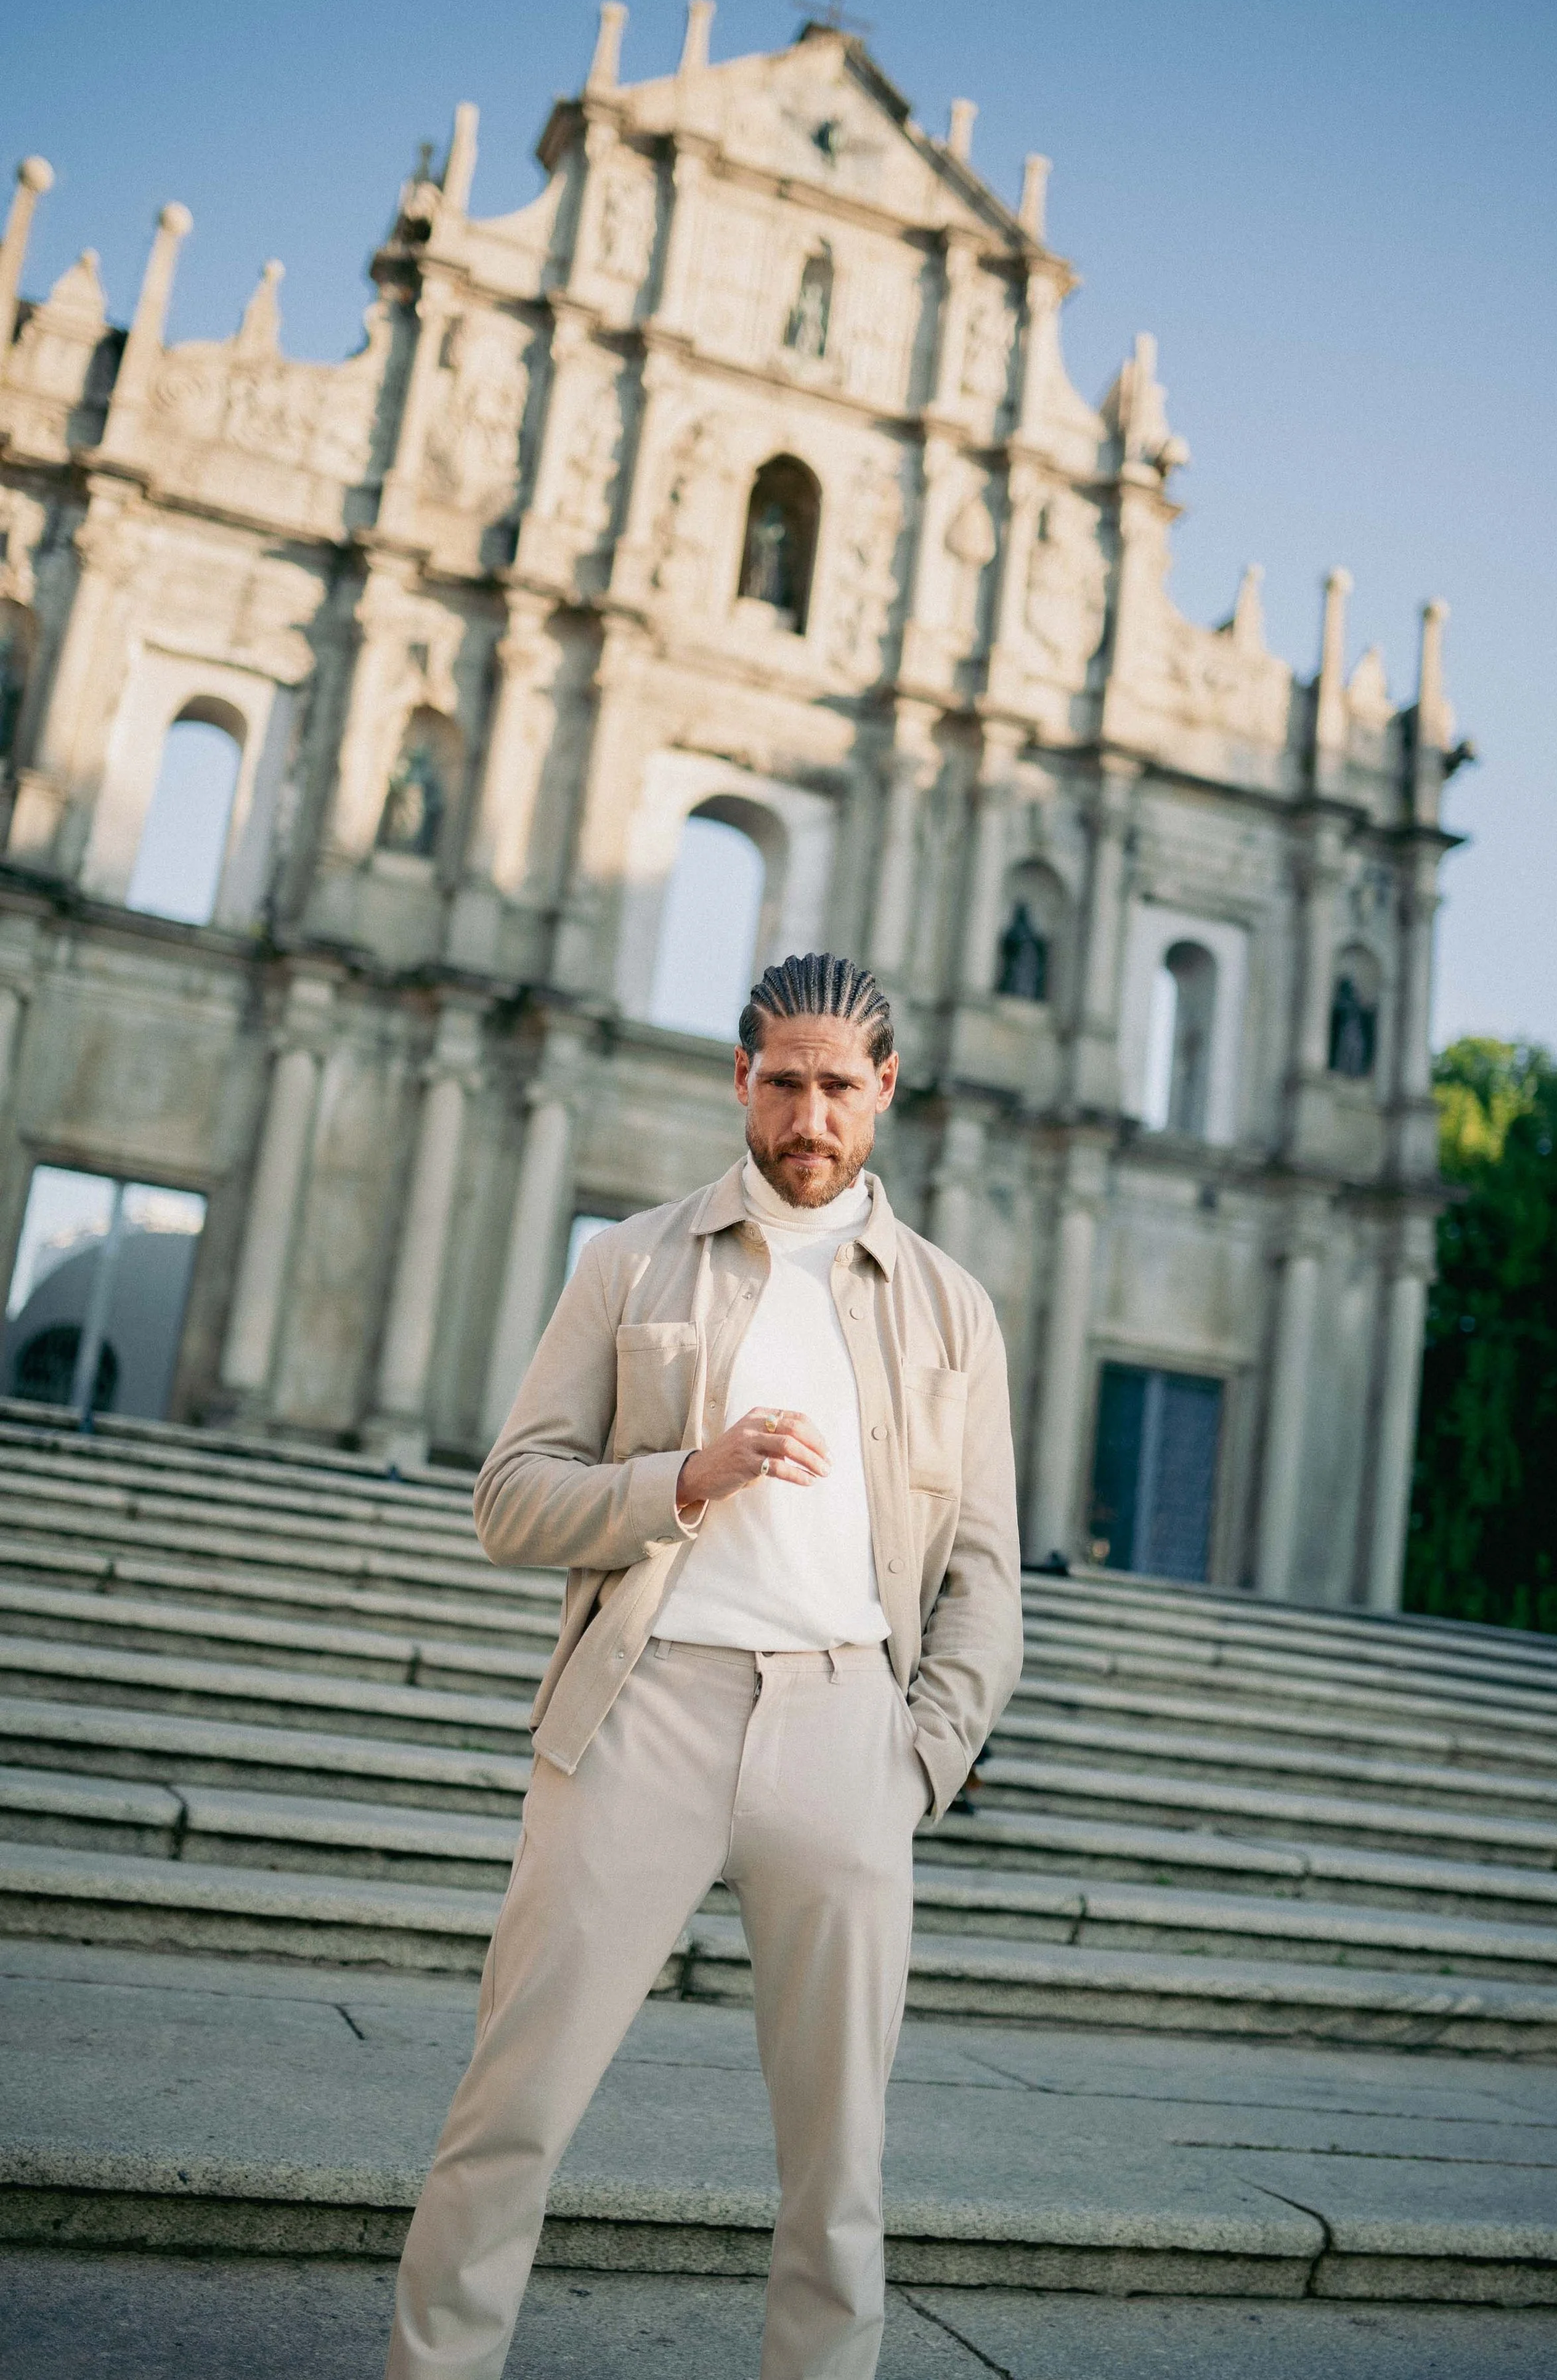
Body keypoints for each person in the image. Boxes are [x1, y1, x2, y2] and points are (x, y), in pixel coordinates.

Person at [384, 951, 1023, 2380]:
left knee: (837, 2172)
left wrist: (913, 1762)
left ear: (885, 1094)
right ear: (739, 1079)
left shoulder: (950, 1308)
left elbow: (985, 1577)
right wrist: (681, 1476)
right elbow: (510, 1497)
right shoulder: (629, 1259)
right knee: (511, 2114)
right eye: (782, 1082)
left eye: (838, 1088)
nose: (809, 1117)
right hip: (642, 1709)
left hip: (848, 1730)